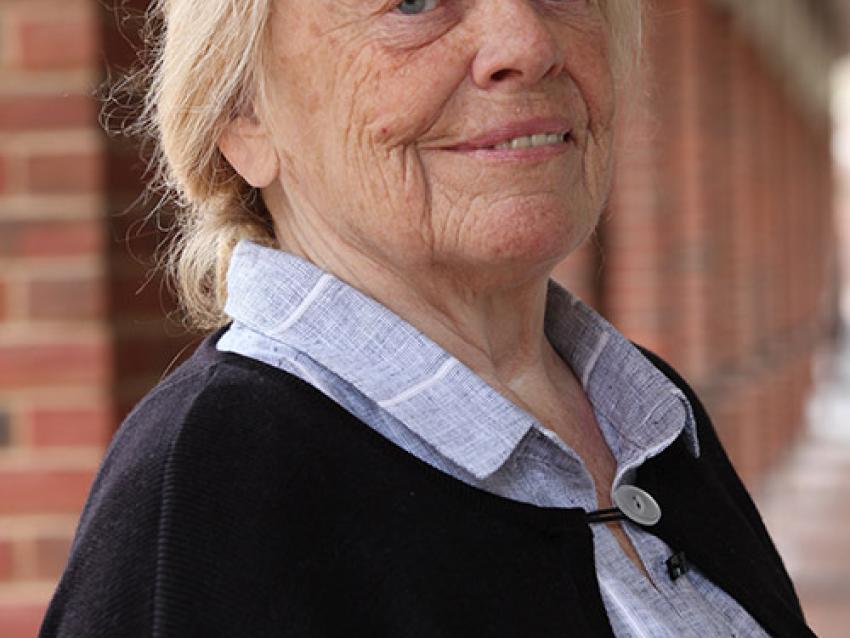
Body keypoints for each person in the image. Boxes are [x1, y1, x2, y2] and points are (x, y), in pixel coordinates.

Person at [40, 1, 814, 636]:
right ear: (242, 112)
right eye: (413, 2)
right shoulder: (211, 492)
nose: (529, 43)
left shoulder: (648, 418)